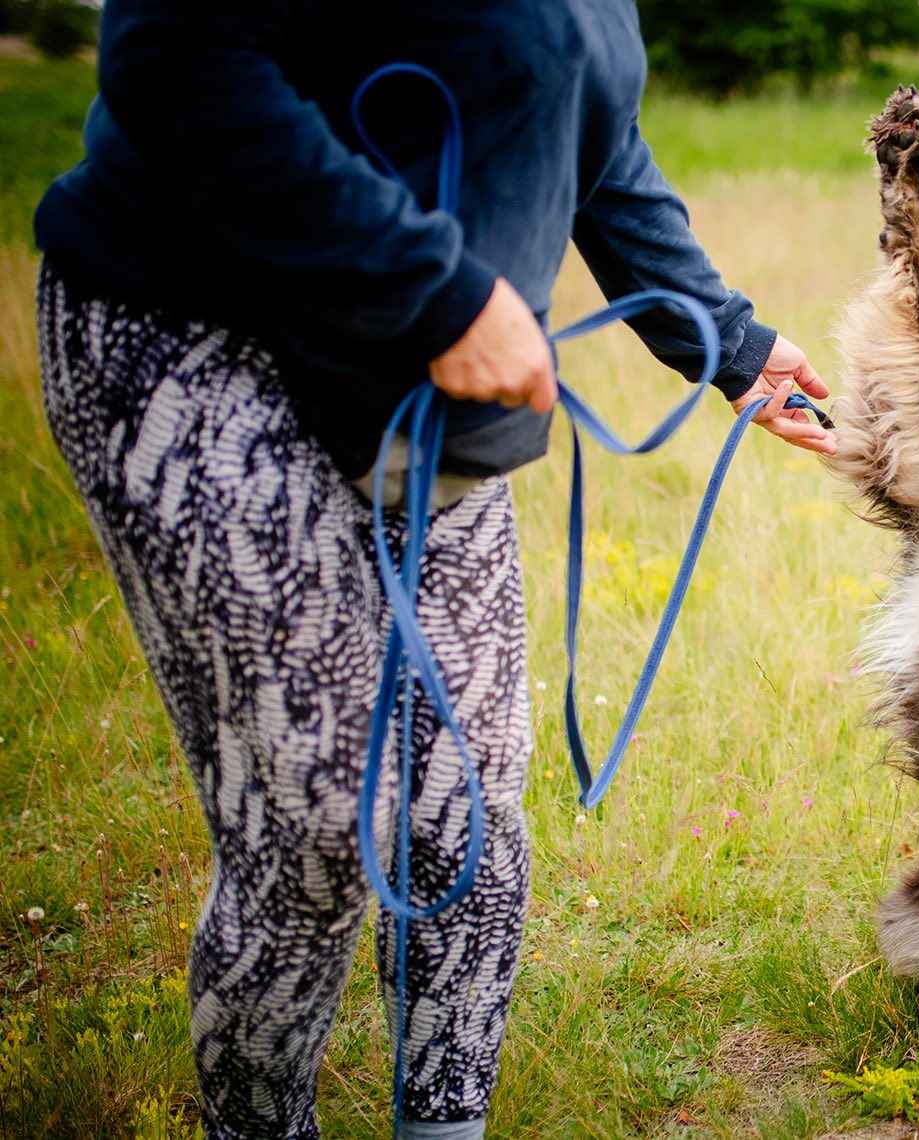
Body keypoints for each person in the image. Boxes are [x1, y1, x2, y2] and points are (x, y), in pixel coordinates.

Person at [33, 3, 835, 1137]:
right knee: (315, 822)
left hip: (422, 390)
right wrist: (440, 291)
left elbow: (586, 120)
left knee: (467, 812)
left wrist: (729, 342)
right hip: (201, 331)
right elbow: (178, 54)